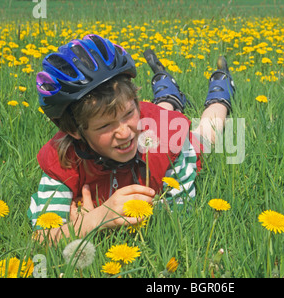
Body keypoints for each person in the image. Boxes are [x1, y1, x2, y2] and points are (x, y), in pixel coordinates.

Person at [27, 34, 235, 242]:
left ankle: (220, 92)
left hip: (157, 132)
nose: (124, 133)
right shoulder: (61, 160)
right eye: (105, 126)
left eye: (128, 112)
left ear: (136, 100)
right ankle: (166, 89)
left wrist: (152, 208)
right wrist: (94, 221)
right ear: (74, 130)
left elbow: (181, 216)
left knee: (206, 134)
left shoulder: (171, 140)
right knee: (152, 119)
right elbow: (40, 238)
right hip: (147, 127)